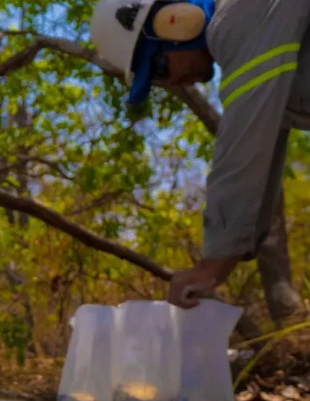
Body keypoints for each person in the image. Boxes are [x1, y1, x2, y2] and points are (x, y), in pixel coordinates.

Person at [89, 0, 310, 308]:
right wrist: (222, 262)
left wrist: (211, 265)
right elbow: (263, 146)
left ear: (175, 20)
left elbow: (242, 143)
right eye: (156, 82)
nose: (169, 83)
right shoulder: (265, 40)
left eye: (159, 67)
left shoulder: (236, 18)